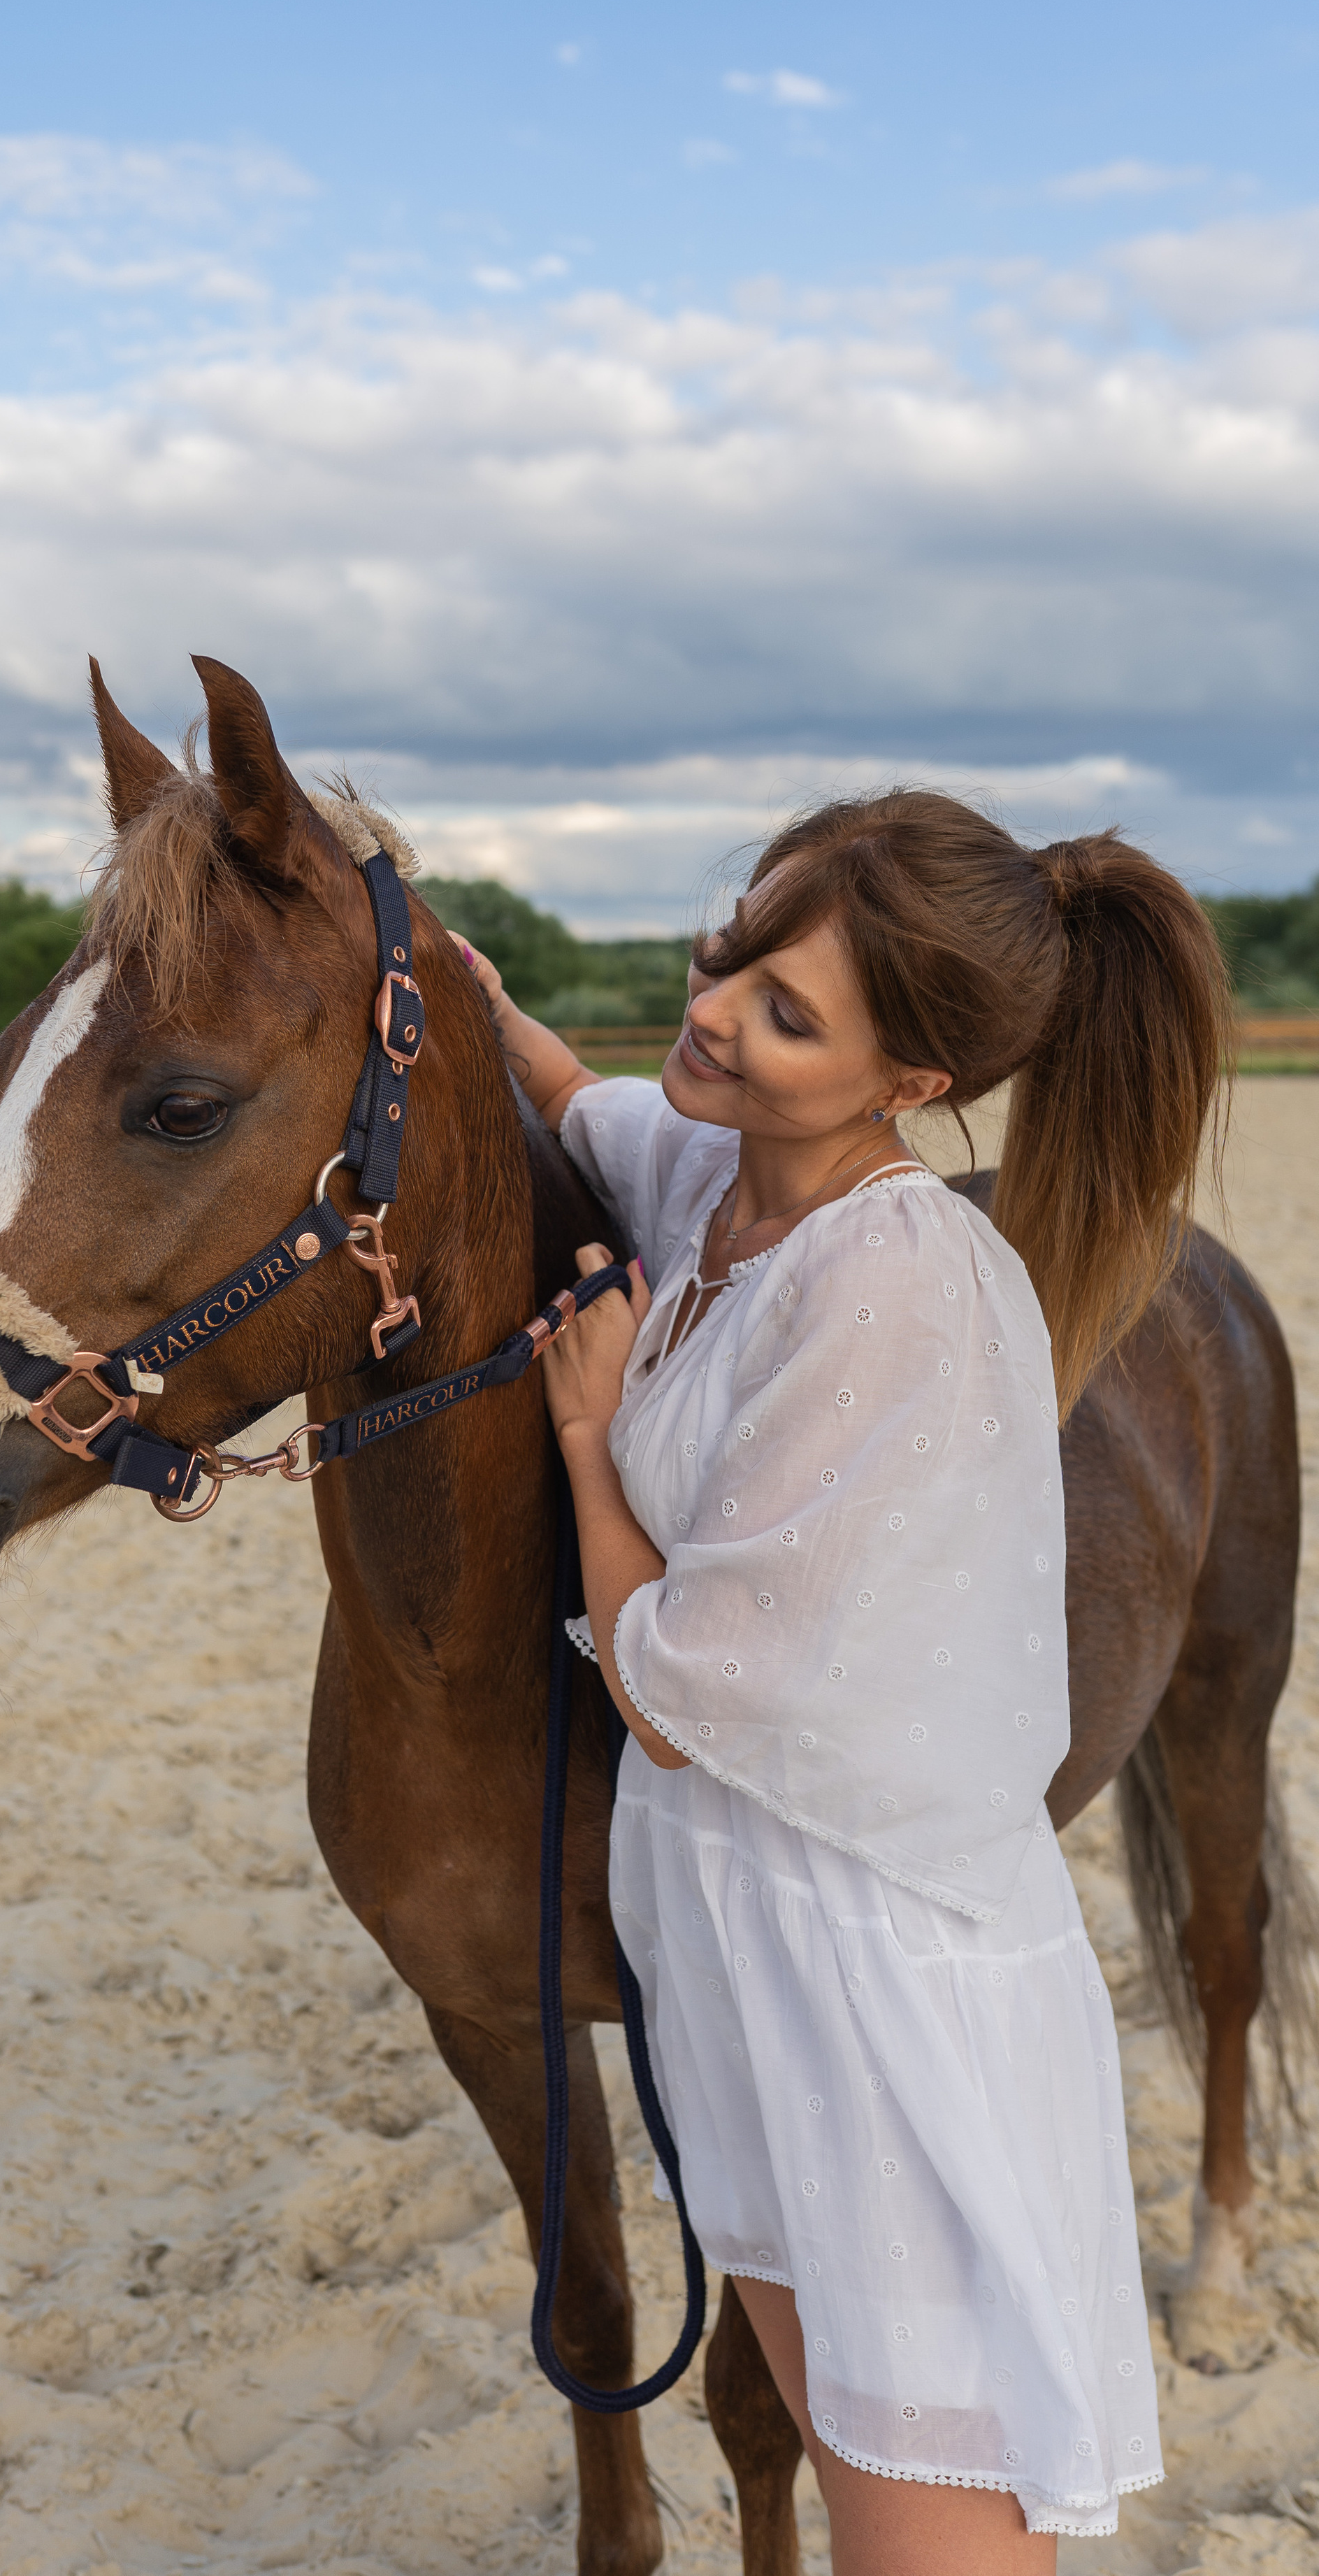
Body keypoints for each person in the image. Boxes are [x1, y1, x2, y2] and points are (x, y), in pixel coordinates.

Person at [449, 792, 1229, 2574]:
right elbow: (579, 1103)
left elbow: (673, 1697)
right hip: (747, 1963)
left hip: (870, 2001)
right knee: (854, 2456)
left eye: (786, 1013)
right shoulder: (724, 1177)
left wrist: (586, 1439)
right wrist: (462, 989)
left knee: (925, 2535)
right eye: (732, 947)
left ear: (909, 1083)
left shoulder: (891, 1287)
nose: (714, 1010)